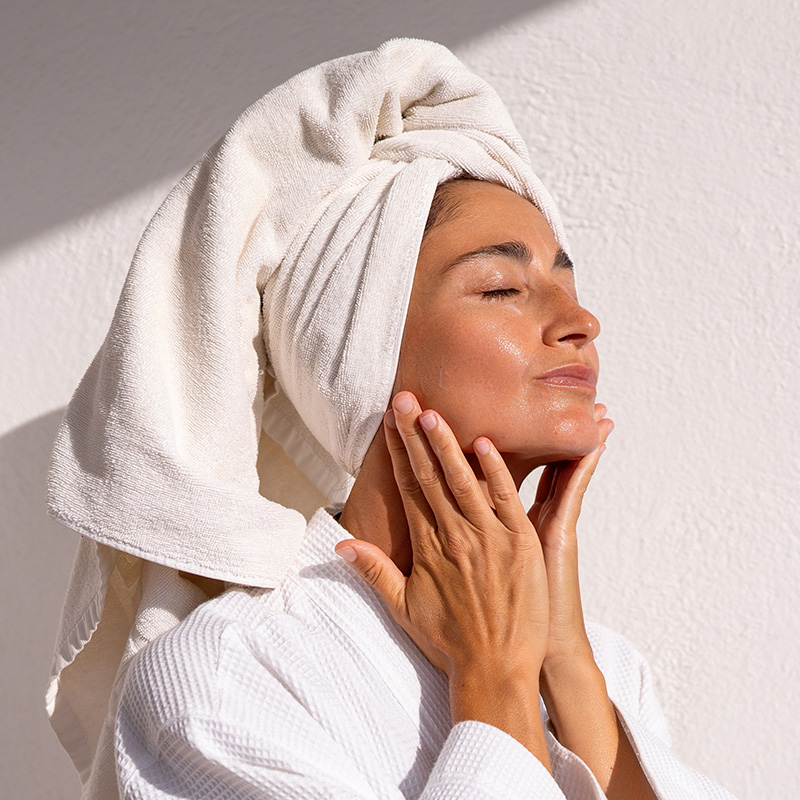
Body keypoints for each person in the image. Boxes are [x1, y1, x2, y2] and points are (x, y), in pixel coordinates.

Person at [46, 40, 736, 799]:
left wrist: (563, 661)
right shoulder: (224, 682)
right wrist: (496, 688)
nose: (580, 320)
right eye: (504, 288)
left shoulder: (609, 672)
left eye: (566, 280)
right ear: (361, 351)